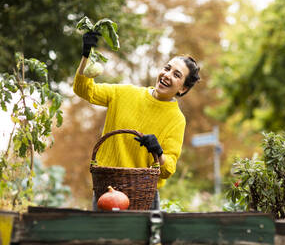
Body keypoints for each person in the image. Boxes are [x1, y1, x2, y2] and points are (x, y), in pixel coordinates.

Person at [74, 31, 200, 210]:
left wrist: (158, 151)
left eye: (176, 75)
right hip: (107, 190)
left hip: (143, 194)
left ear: (183, 88)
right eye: (167, 68)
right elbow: (83, 90)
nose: (167, 75)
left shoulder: (176, 119)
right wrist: (86, 55)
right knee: (101, 238)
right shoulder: (124, 93)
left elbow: (167, 170)